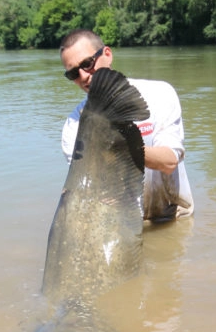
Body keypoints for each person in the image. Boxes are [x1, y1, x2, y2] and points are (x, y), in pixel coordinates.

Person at [60, 29, 194, 222]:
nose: (83, 76)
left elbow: (169, 162)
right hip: (122, 222)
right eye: (73, 73)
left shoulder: (159, 94)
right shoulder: (74, 127)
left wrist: (123, 147)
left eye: (87, 64)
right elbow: (91, 189)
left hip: (174, 217)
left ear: (107, 54)